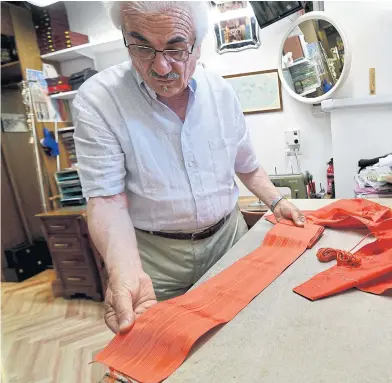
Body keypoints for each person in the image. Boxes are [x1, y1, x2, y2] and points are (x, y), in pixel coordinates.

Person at [73, 1, 304, 334]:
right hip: (155, 261)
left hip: (229, 241)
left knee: (245, 333)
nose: (162, 67)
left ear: (198, 44)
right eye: (141, 48)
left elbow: (247, 166)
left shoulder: (222, 93)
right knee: (165, 346)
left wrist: (277, 202)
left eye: (176, 48)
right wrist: (124, 270)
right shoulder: (98, 100)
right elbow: (107, 200)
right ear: (124, 37)